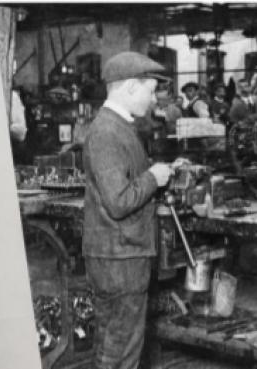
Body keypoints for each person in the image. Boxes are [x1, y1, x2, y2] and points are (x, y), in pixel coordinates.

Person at [83, 51, 175, 369]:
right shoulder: (107, 131)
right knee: (119, 348)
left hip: (120, 253)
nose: (152, 101)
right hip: (119, 257)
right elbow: (119, 201)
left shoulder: (119, 126)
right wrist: (154, 177)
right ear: (131, 88)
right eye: (150, 91)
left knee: (118, 343)